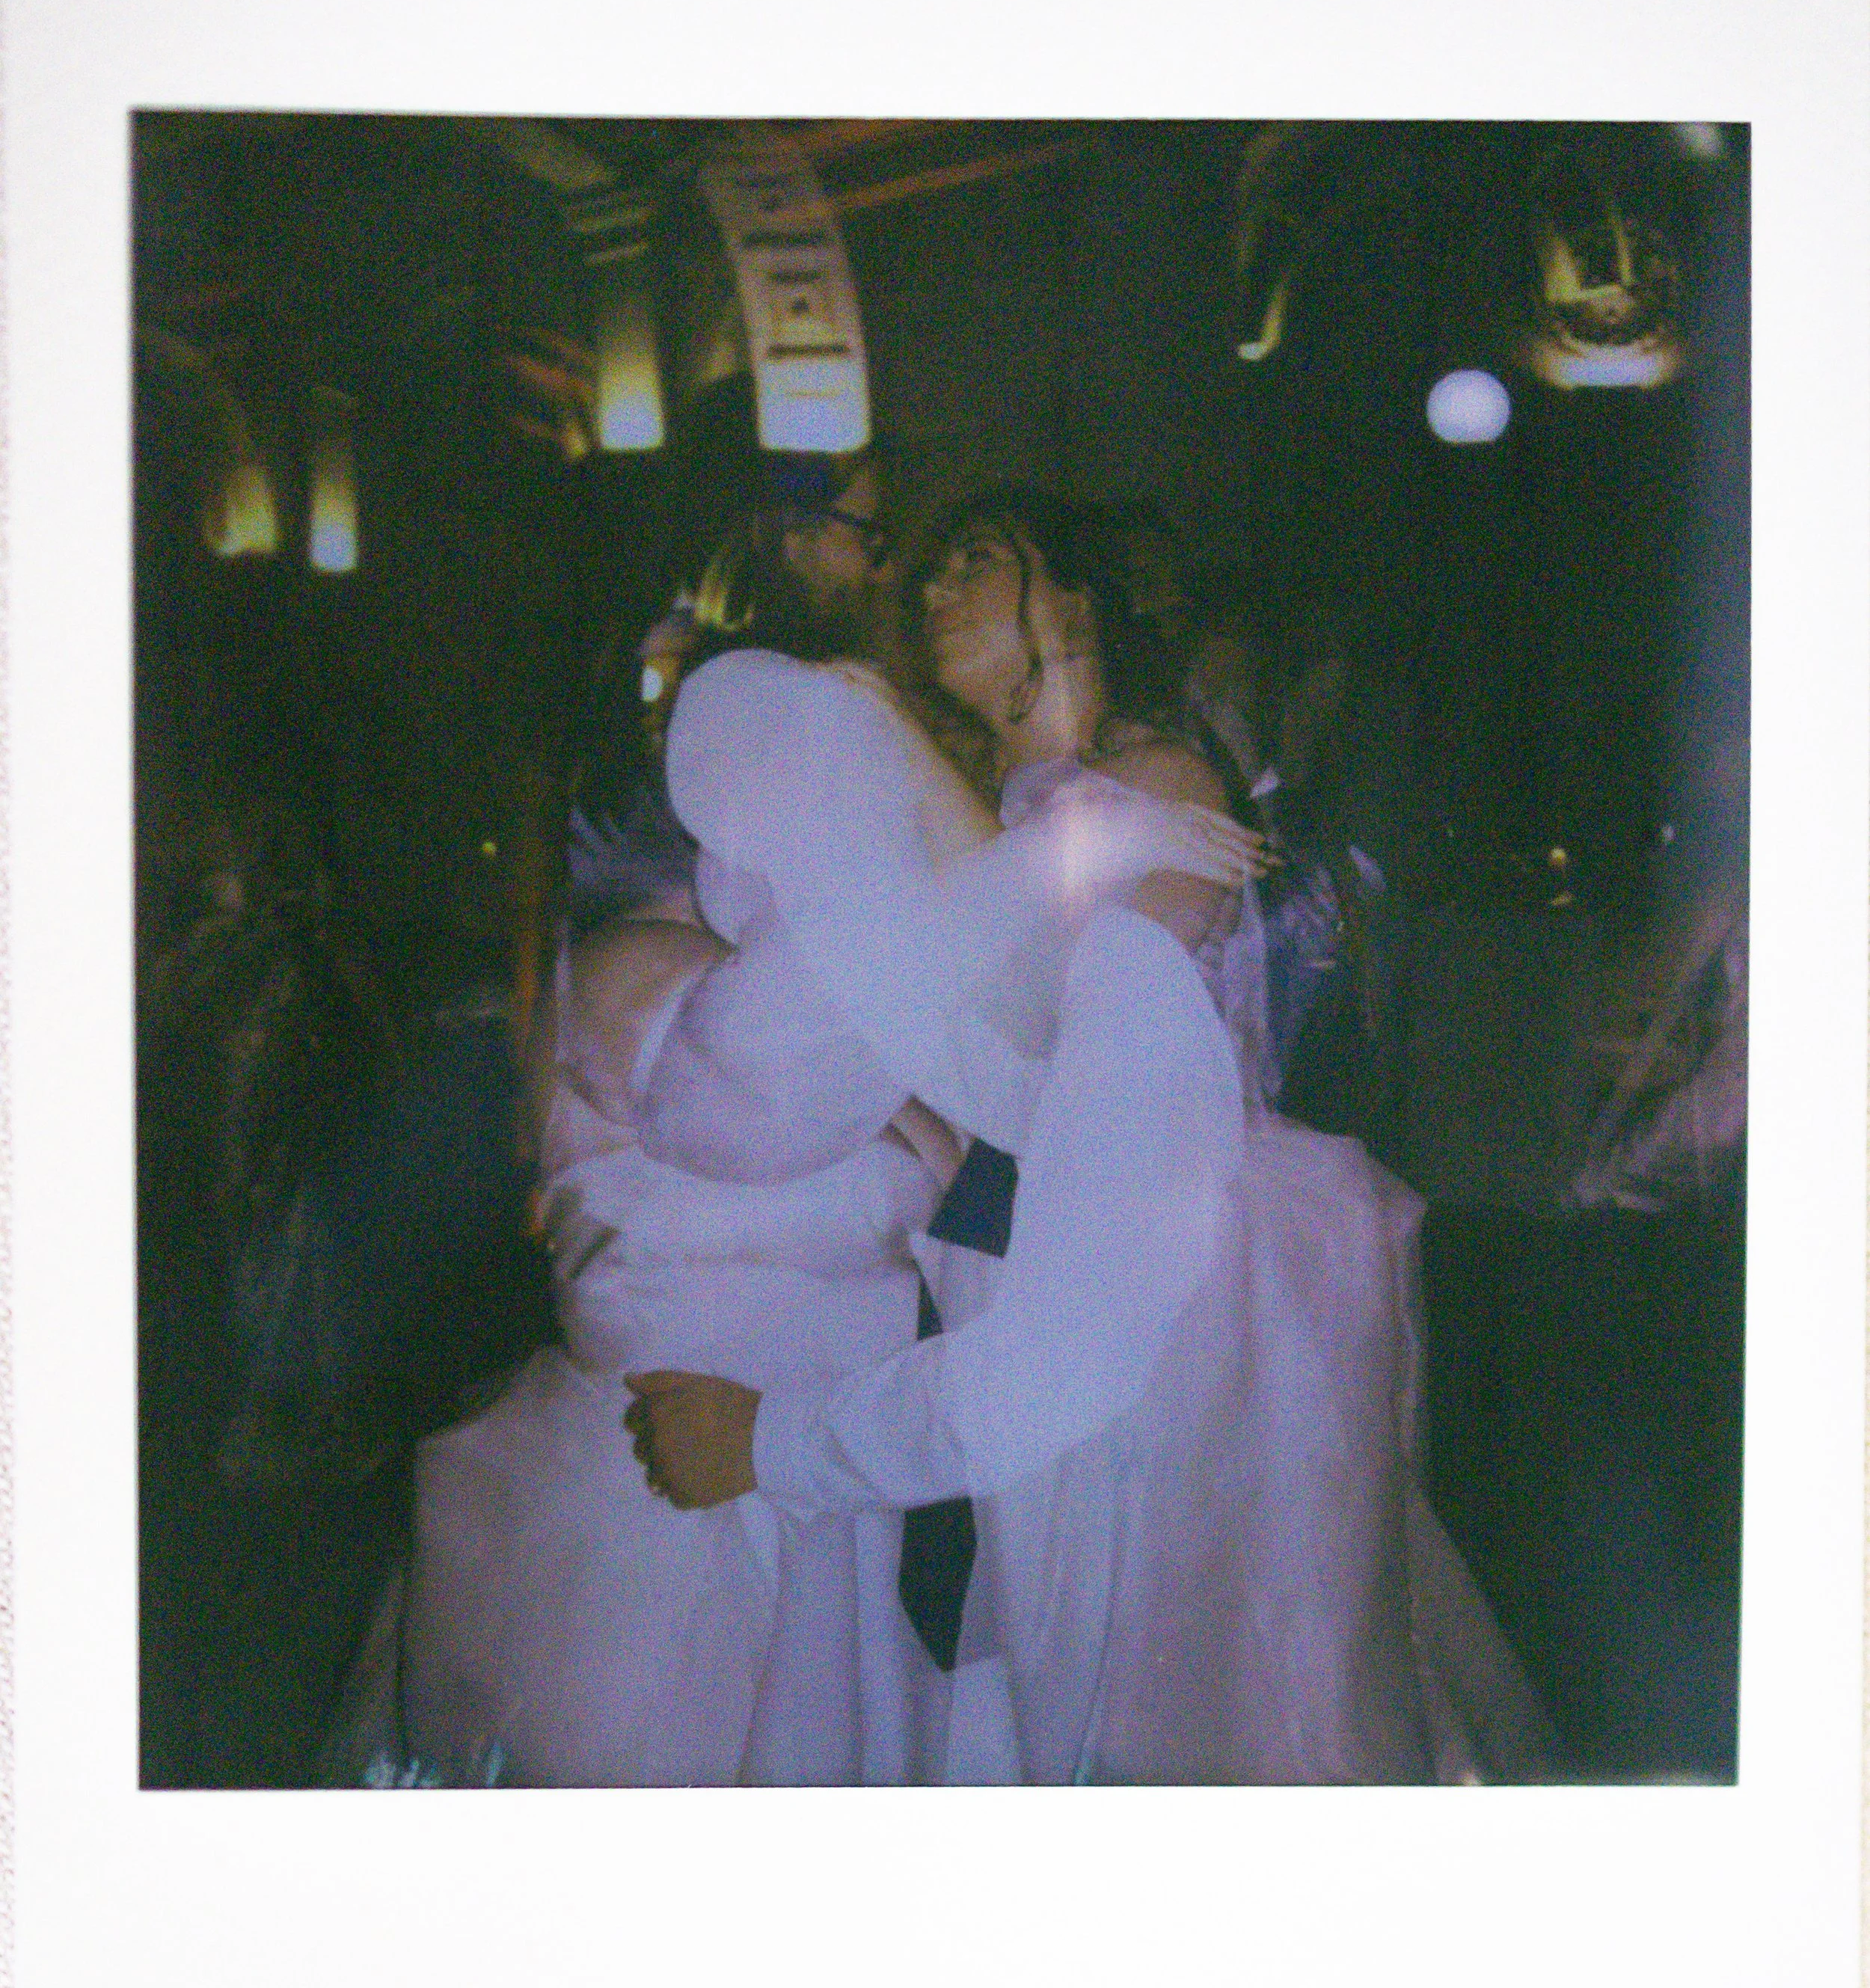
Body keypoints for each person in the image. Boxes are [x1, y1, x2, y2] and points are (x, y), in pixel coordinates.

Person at [329, 428, 1249, 1786]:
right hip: (716, 1478)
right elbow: (789, 1066)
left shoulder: (1092, 847)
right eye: (867, 536)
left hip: (874, 1448)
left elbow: (1016, 1059)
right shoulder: (718, 819)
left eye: (948, 557)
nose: (902, 577)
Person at [629, 489, 1553, 1785]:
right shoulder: (1030, 815)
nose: (934, 589)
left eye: (976, 562)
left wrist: (766, 1442)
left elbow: (1073, 1308)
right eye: (928, 576)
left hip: (1161, 1425)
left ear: (1074, 600)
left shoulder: (1151, 791)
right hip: (1051, 1418)